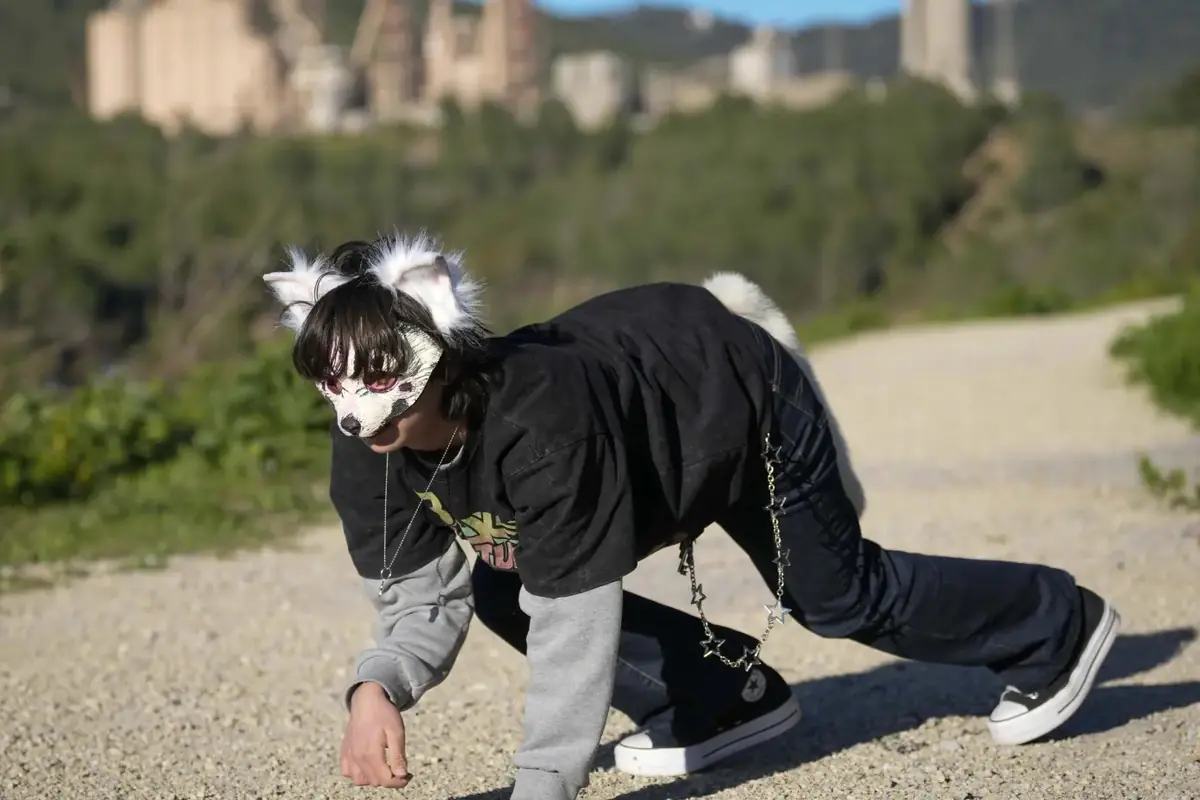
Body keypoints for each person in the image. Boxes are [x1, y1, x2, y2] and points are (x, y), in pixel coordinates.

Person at [262, 233, 1121, 800]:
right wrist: (378, 686)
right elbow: (420, 598)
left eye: (381, 392)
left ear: (443, 359)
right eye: (335, 391)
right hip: (646, 449)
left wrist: (540, 787)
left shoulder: (538, 425)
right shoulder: (370, 442)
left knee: (839, 599)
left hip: (738, 403)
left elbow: (574, 622)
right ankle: (724, 702)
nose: (356, 417)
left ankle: (1057, 622)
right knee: (498, 582)